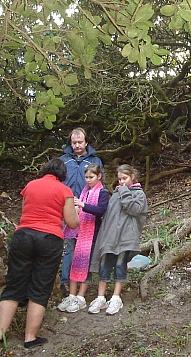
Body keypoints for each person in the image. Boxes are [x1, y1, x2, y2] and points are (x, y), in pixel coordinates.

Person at [0, 158, 79, 349]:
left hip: (24, 235)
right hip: (49, 239)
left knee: (13, 285)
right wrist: (77, 212)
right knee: (40, 287)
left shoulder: (30, 186)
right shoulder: (65, 191)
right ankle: (30, 337)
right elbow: (72, 222)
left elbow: (24, 213)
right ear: (63, 175)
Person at [87, 164, 148, 315]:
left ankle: (116, 297)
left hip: (126, 237)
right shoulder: (115, 194)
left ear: (132, 177)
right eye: (120, 179)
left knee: (121, 264)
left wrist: (125, 192)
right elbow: (108, 216)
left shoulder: (139, 194)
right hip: (110, 236)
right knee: (105, 264)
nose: (121, 182)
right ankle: (100, 297)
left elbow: (134, 210)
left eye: (125, 178)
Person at [57, 163, 109, 312]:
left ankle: (81, 296)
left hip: (92, 233)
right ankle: (72, 295)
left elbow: (101, 210)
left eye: (91, 177)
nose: (88, 180)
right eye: (86, 177)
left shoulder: (103, 192)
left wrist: (82, 205)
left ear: (99, 177)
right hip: (78, 231)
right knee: (74, 261)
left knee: (86, 263)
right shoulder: (84, 191)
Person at [59, 127, 104, 290]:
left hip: (87, 207)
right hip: (67, 206)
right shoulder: (64, 160)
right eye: (74, 143)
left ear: (86, 142)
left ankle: (83, 280)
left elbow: (99, 184)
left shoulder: (94, 161)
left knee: (85, 245)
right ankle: (65, 281)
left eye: (80, 142)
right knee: (69, 245)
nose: (77, 145)